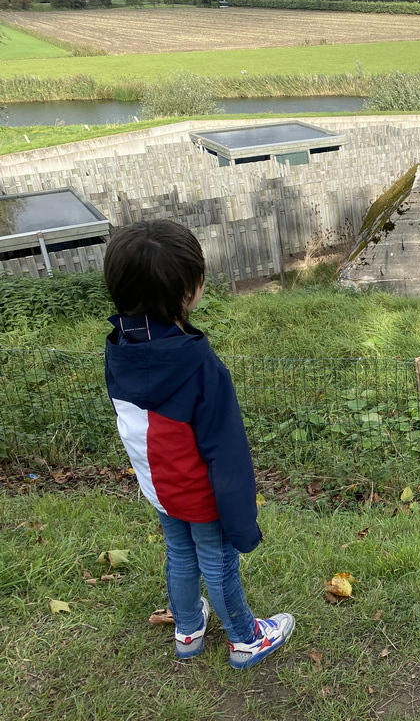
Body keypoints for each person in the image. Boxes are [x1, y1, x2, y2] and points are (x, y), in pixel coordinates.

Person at [103, 219, 294, 669]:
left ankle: (187, 630)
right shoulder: (201, 365)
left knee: (180, 553)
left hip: (158, 484)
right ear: (190, 290)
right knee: (218, 562)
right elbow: (225, 451)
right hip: (200, 491)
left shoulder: (117, 348)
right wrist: (241, 518)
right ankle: (246, 639)